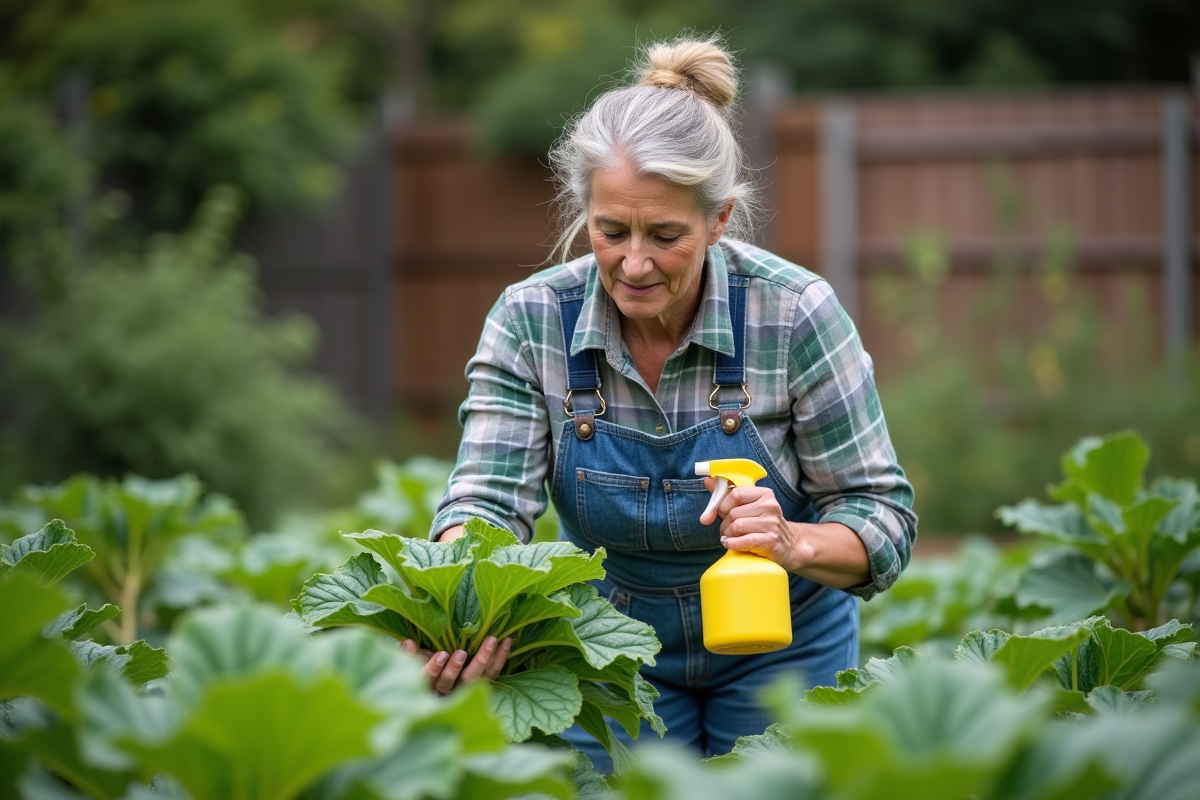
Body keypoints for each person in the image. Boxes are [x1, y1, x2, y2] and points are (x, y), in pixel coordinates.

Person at [419, 34, 917, 770]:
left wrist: (792, 543)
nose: (634, 262)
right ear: (583, 210)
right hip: (611, 650)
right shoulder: (532, 321)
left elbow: (883, 515)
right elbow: (485, 507)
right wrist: (455, 607)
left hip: (785, 644)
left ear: (718, 222)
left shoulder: (796, 314)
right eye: (611, 231)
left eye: (666, 235)